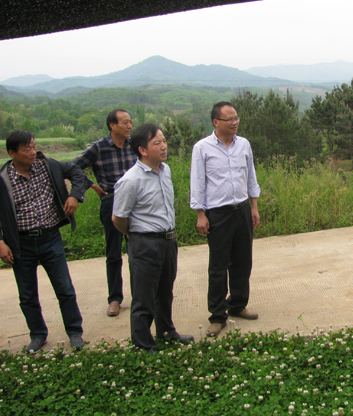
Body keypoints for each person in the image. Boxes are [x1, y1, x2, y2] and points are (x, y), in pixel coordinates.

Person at [0, 130, 86, 353]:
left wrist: (75, 195)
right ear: (12, 153)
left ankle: (74, 331)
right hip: (21, 244)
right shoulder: (3, 179)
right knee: (27, 295)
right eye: (26, 148)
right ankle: (38, 334)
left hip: (50, 238)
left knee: (65, 288)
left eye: (33, 146)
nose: (33, 151)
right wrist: (1, 242)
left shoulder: (47, 166)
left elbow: (75, 170)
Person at [112, 123, 194, 353]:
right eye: (157, 143)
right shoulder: (131, 180)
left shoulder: (165, 170)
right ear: (142, 150)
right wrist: (134, 234)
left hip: (168, 240)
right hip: (145, 243)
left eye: (164, 141)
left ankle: (166, 331)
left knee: (165, 292)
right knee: (143, 297)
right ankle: (143, 344)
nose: (164, 146)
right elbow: (118, 218)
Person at [190, 101, 261, 337]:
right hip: (218, 214)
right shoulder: (202, 148)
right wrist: (200, 214)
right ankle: (218, 315)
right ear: (216, 122)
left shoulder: (244, 144)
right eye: (229, 119)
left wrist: (254, 207)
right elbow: (197, 182)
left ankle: (238, 304)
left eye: (236, 118)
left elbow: (251, 176)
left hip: (242, 209)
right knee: (218, 267)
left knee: (243, 262)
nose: (234, 122)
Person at [73, 109, 137, 317]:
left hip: (135, 202)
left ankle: (140, 296)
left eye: (130, 122)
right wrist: (92, 185)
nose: (129, 126)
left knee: (137, 249)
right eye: (125, 122)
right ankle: (115, 298)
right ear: (112, 125)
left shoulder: (134, 145)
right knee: (113, 252)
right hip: (111, 200)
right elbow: (72, 168)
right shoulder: (98, 148)